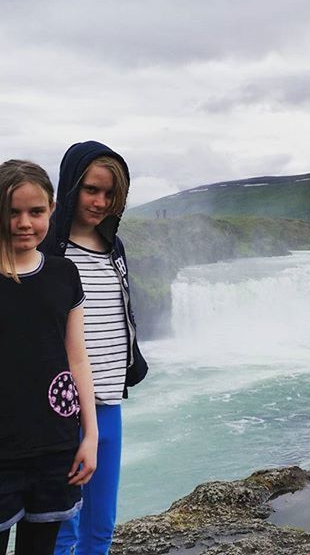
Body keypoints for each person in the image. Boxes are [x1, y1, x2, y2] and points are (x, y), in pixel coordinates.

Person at [42, 142, 148, 555]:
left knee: (101, 526)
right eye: (91, 190)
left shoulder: (114, 248)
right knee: (61, 528)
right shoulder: (48, 249)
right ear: (71, 187)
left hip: (107, 402)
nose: (100, 202)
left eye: (109, 194)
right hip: (59, 409)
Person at [0, 160, 98, 555]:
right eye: (12, 211)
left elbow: (78, 359)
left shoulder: (64, 274)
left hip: (55, 446)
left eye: (36, 212)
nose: (25, 222)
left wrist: (89, 435)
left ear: (52, 210)